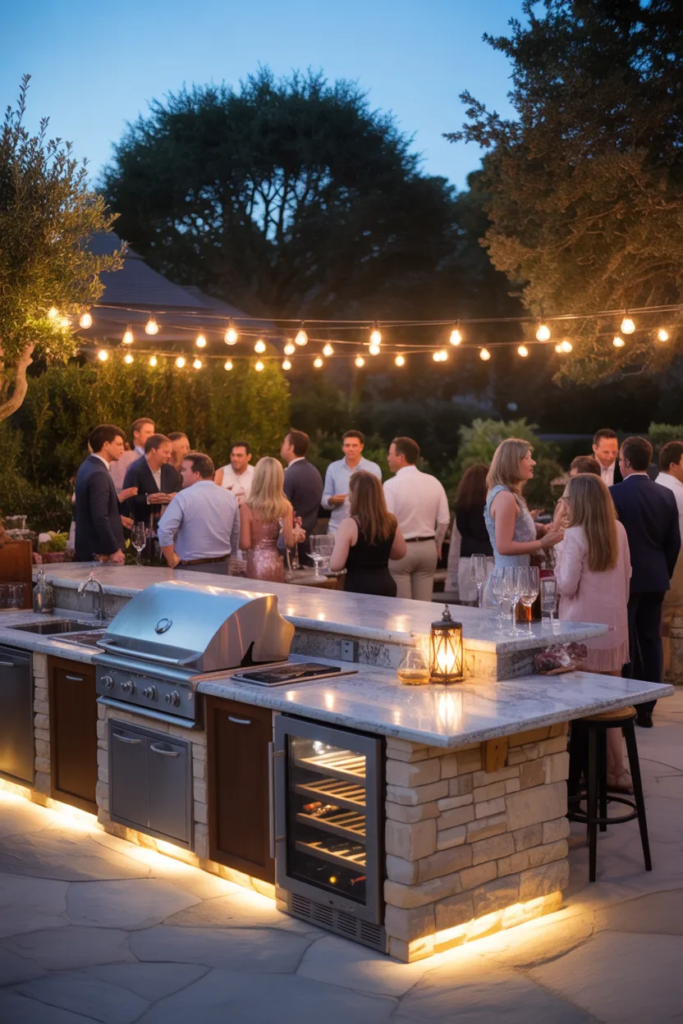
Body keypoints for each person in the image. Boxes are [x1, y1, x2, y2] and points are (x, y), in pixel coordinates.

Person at [555, 474, 632, 790]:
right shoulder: (619, 529)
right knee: (610, 701)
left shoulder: (573, 535)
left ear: (577, 503)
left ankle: (585, 774)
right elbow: (627, 575)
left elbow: (565, 585)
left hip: (580, 632)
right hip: (613, 628)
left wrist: (558, 549)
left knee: (583, 704)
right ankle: (618, 771)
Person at [610, 436, 681, 727]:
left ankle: (627, 706)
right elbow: (674, 543)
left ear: (625, 462)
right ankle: (648, 708)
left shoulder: (613, 494)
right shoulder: (665, 494)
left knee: (625, 642)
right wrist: (663, 571)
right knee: (651, 640)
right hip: (655, 577)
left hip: (624, 580)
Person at [484, 439, 563, 598]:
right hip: (508, 584)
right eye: (528, 458)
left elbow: (513, 529)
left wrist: (539, 528)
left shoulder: (507, 494)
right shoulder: (505, 497)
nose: (533, 462)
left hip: (516, 581)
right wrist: (543, 542)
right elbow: (504, 546)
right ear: (512, 462)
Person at [383, 437, 450, 601]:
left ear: (401, 457)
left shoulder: (391, 485)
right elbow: (444, 520)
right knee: (424, 606)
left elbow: (388, 521)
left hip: (401, 549)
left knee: (402, 609)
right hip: (428, 548)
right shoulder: (434, 482)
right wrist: (437, 544)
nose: (388, 458)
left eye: (390, 454)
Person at [157, 452, 240, 575]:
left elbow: (164, 530)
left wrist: (171, 560)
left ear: (197, 474)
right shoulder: (230, 497)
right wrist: (232, 559)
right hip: (223, 568)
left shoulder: (183, 497)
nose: (181, 473)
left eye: (184, 470)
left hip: (190, 570)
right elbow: (235, 533)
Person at [330, 471, 407, 596]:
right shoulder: (390, 521)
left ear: (354, 495)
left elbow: (335, 565)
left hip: (359, 588)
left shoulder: (350, 523)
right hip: (386, 585)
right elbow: (399, 553)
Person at [240, 457, 303, 583]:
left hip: (255, 564)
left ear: (257, 478)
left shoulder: (246, 507)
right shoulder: (285, 506)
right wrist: (297, 532)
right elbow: (289, 543)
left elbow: (245, 544)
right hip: (275, 563)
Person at [74, 424, 127, 564]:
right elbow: (99, 516)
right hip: (100, 554)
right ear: (106, 445)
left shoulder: (88, 465)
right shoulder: (98, 473)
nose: (123, 449)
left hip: (92, 550)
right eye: (119, 444)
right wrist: (113, 549)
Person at [653, 441, 683, 680]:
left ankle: (662, 669)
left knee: (662, 617)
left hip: (657, 561)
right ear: (673, 464)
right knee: (672, 615)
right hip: (676, 559)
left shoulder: (656, 486)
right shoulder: (678, 492)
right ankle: (670, 669)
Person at [322, 430, 382, 534]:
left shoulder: (372, 469)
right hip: (337, 528)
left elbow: (378, 499)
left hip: (364, 528)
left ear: (361, 447)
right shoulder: (333, 468)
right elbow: (324, 499)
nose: (350, 449)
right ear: (342, 447)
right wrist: (331, 500)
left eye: (354, 445)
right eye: (347, 445)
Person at [280, 429, 323, 566]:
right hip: (311, 537)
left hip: (293, 543)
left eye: (284, 442)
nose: (281, 446)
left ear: (290, 447)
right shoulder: (314, 471)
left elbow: (282, 509)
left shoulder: (289, 475)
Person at [452, 464, 493, 604]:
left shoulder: (461, 507)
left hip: (466, 560)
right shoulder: (489, 507)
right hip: (488, 559)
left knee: (468, 610)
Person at [122, 434, 181, 525]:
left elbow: (179, 490)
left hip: (167, 526)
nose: (169, 456)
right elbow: (128, 500)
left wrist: (176, 496)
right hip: (141, 526)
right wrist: (148, 499)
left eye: (170, 453)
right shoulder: (135, 470)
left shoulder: (170, 470)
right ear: (153, 450)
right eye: (165, 452)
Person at [110, 417, 156, 492]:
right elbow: (118, 485)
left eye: (153, 432)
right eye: (148, 432)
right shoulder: (124, 457)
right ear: (136, 434)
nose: (152, 436)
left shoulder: (156, 456)